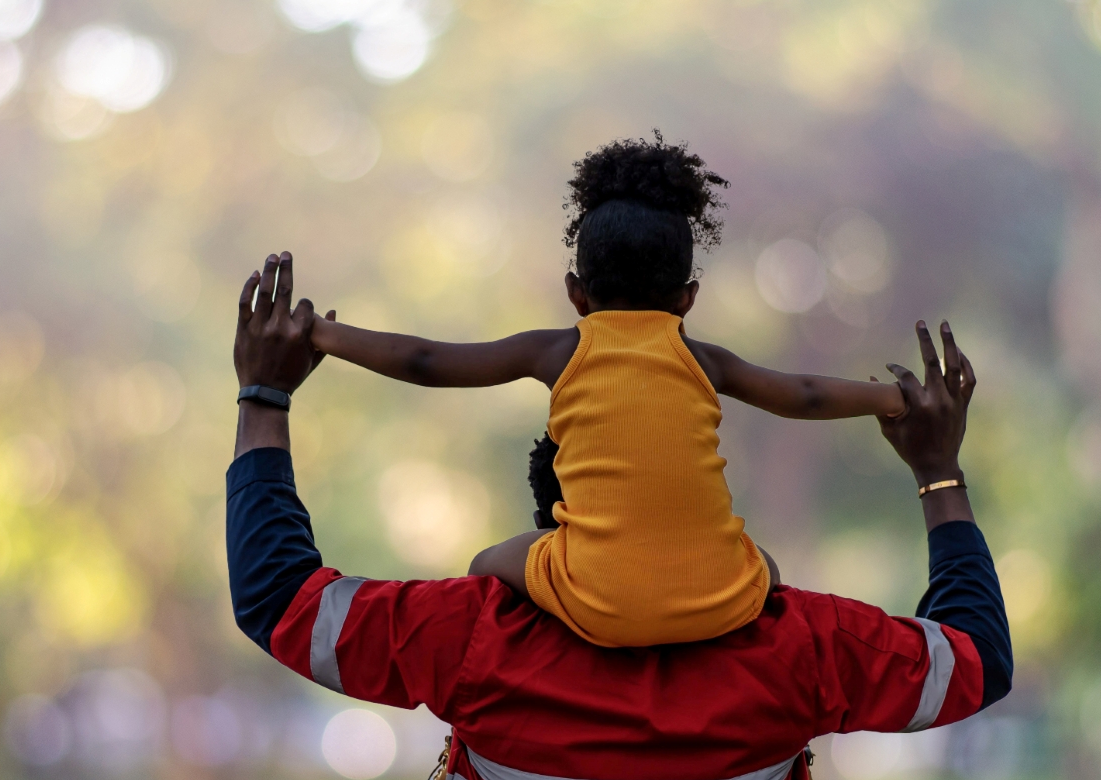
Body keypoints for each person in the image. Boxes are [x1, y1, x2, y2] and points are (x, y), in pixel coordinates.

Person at [228, 252, 1010, 780]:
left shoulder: (471, 636)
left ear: (552, 520)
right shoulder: (799, 646)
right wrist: (938, 472)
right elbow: (974, 659)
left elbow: (279, 598)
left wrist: (264, 396)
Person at [309, 133, 905, 653]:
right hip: (715, 600)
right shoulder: (703, 359)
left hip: (597, 599)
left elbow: (426, 360)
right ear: (687, 299)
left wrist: (324, 334)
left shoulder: (557, 351)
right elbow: (803, 394)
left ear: (576, 292)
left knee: (485, 564)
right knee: (767, 569)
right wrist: (893, 399)